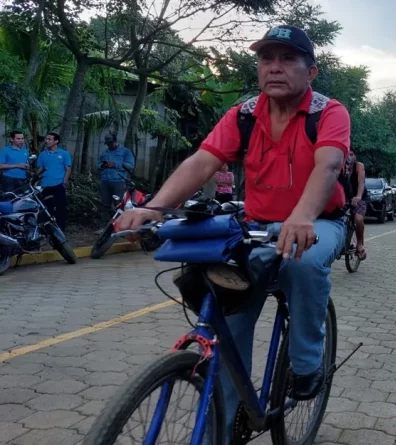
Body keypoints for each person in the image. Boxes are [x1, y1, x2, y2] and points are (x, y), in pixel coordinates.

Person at [114, 24, 350, 435]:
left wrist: (302, 215)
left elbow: (328, 165)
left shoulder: (328, 112)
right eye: (266, 58)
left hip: (320, 221)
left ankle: (308, 364)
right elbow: (203, 161)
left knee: (304, 261)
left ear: (310, 72)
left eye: (288, 58)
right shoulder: (242, 115)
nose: (275, 67)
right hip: (257, 227)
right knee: (225, 312)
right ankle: (224, 421)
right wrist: (153, 207)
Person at [36, 132, 71, 230]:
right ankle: (47, 229)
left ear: (56, 141)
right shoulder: (42, 154)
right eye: (46, 139)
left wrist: (65, 181)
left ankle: (61, 229)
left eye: (49, 139)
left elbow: (68, 168)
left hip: (59, 184)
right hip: (45, 185)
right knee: (46, 208)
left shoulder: (64, 154)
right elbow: (40, 168)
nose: (46, 141)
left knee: (60, 208)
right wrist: (35, 178)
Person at [97, 134, 135, 222]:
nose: (109, 145)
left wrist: (115, 165)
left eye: (110, 143)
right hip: (105, 181)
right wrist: (102, 165)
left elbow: (130, 165)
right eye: (107, 144)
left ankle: (119, 225)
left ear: (115, 141)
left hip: (119, 181)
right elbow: (98, 164)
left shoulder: (125, 152)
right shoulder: (104, 153)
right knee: (105, 204)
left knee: (119, 204)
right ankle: (105, 226)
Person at [347, 151, 367, 259]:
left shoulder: (359, 166)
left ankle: (359, 244)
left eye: (351, 154)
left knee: (358, 219)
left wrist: (358, 196)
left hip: (359, 198)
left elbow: (361, 183)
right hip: (344, 198)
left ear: (355, 156)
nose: (349, 157)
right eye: (347, 154)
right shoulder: (339, 165)